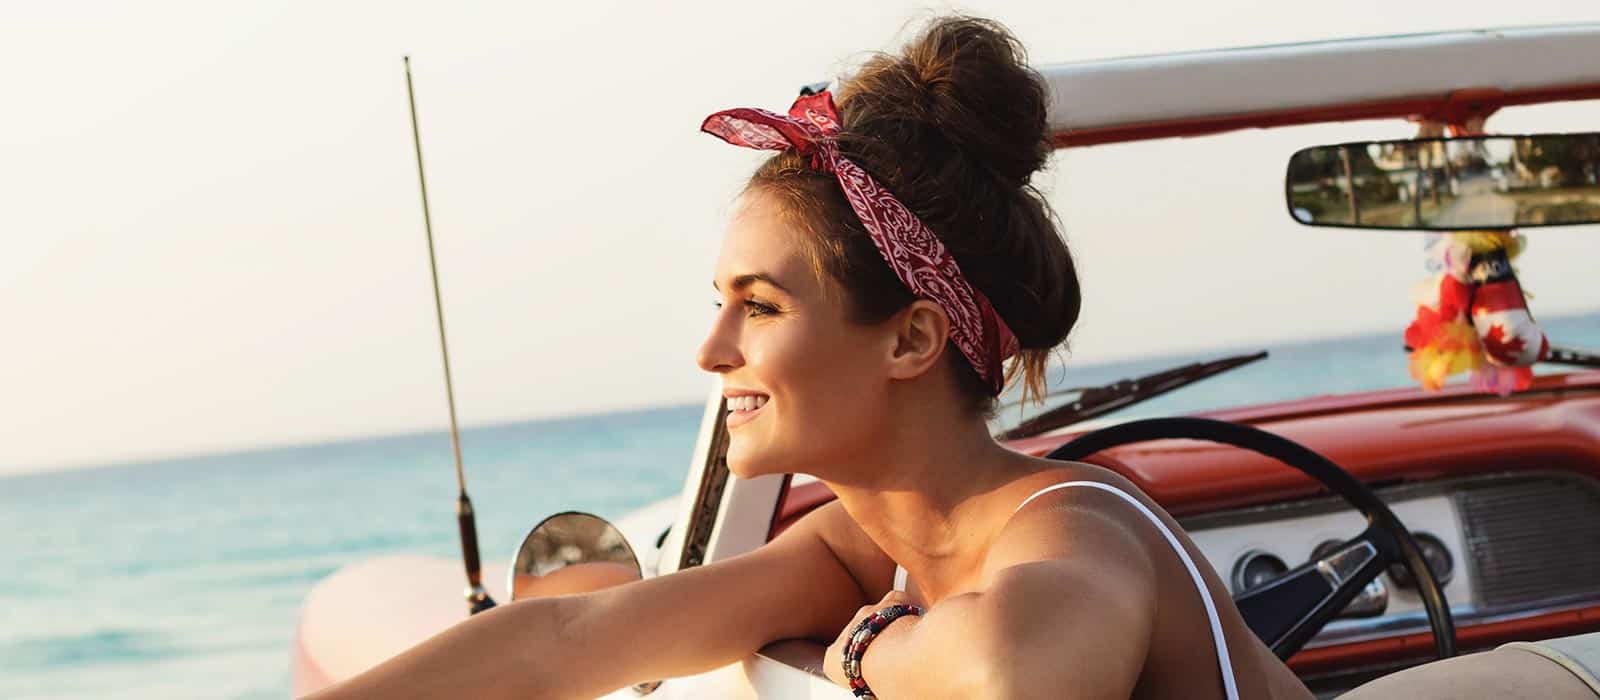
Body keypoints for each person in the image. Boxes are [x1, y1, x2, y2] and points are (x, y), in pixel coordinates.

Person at [304, 16, 1313, 700]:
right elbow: (568, 640)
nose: (712, 350)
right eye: (719, 304)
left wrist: (869, 647)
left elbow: (1015, 675)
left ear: (910, 337)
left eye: (759, 305)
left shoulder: (1076, 520)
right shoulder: (865, 546)